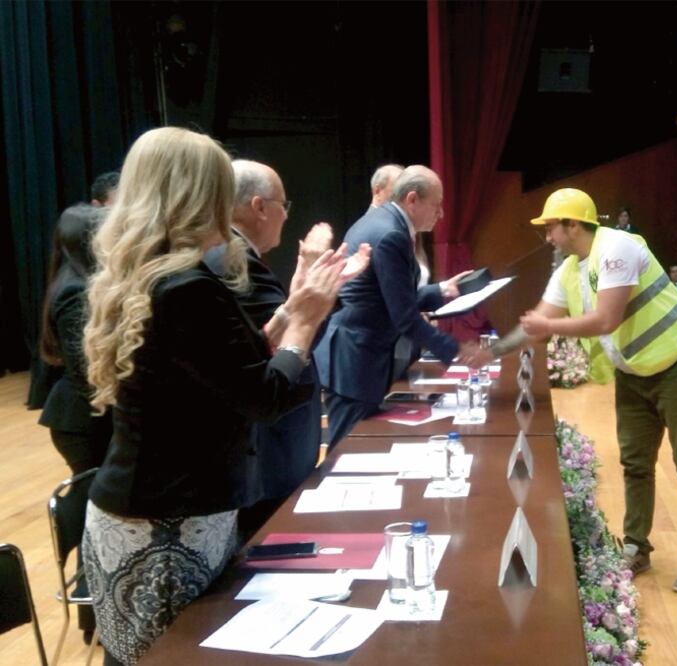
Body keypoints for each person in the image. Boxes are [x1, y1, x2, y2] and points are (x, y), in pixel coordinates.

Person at [80, 127, 366, 666]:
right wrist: (305, 322)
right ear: (195, 196)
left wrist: (290, 312)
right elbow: (263, 396)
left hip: (154, 509)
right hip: (165, 524)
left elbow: (219, 364)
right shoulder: (186, 284)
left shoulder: (155, 275)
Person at [477, 188, 677, 591]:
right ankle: (637, 547)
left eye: (550, 228)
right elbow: (538, 320)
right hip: (634, 375)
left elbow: (605, 319)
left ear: (572, 224)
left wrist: (548, 328)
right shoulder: (568, 271)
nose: (548, 237)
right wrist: (493, 350)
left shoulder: (616, 246)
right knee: (635, 464)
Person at [204, 160, 331, 538]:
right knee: (269, 537)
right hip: (266, 435)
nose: (286, 216)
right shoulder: (232, 258)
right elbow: (277, 344)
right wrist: (315, 294)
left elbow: (269, 329)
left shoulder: (232, 255)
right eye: (283, 205)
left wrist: (306, 286)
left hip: (265, 430)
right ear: (260, 207)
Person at [316, 165, 479, 446]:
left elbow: (390, 297)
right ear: (412, 199)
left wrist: (442, 289)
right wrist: (457, 351)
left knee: (358, 450)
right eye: (436, 206)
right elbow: (404, 317)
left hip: (356, 356)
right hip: (355, 360)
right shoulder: (393, 234)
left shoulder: (379, 221)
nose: (441, 215)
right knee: (347, 453)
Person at [37, 203, 112, 643]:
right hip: (82, 419)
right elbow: (88, 374)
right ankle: (92, 616)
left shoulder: (82, 282)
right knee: (95, 512)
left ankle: (96, 613)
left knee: (97, 511)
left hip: (89, 415)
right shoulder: (74, 290)